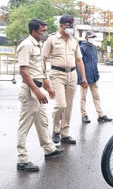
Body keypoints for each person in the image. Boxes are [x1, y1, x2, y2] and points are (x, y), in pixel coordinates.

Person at [16, 19, 65, 172]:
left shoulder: (39, 45)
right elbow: (24, 72)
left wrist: (48, 87)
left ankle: (49, 149)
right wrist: (37, 91)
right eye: (43, 31)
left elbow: (39, 70)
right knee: (25, 126)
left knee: (42, 122)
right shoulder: (26, 45)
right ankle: (22, 160)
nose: (45, 34)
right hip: (30, 91)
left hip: (38, 89)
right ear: (34, 32)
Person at [43, 14, 88, 145]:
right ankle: (56, 130)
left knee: (68, 106)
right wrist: (44, 76)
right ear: (61, 25)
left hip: (72, 75)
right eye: (68, 26)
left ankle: (65, 133)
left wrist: (83, 77)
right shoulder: (51, 39)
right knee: (61, 104)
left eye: (72, 26)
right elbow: (44, 58)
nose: (70, 28)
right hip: (57, 74)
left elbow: (79, 60)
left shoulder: (74, 41)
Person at [77, 31, 112, 123]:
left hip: (93, 77)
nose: (92, 38)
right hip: (85, 78)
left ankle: (101, 115)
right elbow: (79, 64)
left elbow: (95, 62)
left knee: (96, 96)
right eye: (91, 37)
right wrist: (81, 78)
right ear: (86, 38)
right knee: (83, 97)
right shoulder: (81, 48)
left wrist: (97, 74)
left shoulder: (93, 48)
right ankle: (84, 115)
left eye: (93, 37)